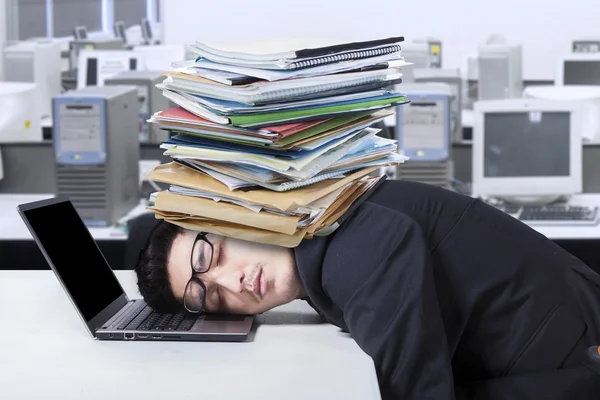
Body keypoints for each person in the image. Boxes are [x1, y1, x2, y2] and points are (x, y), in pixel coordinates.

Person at [135, 179, 600, 399]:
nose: (230, 281)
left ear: (233, 219)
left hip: (574, 352)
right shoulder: (322, 236)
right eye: (209, 297)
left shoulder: (357, 251)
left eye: (209, 257)